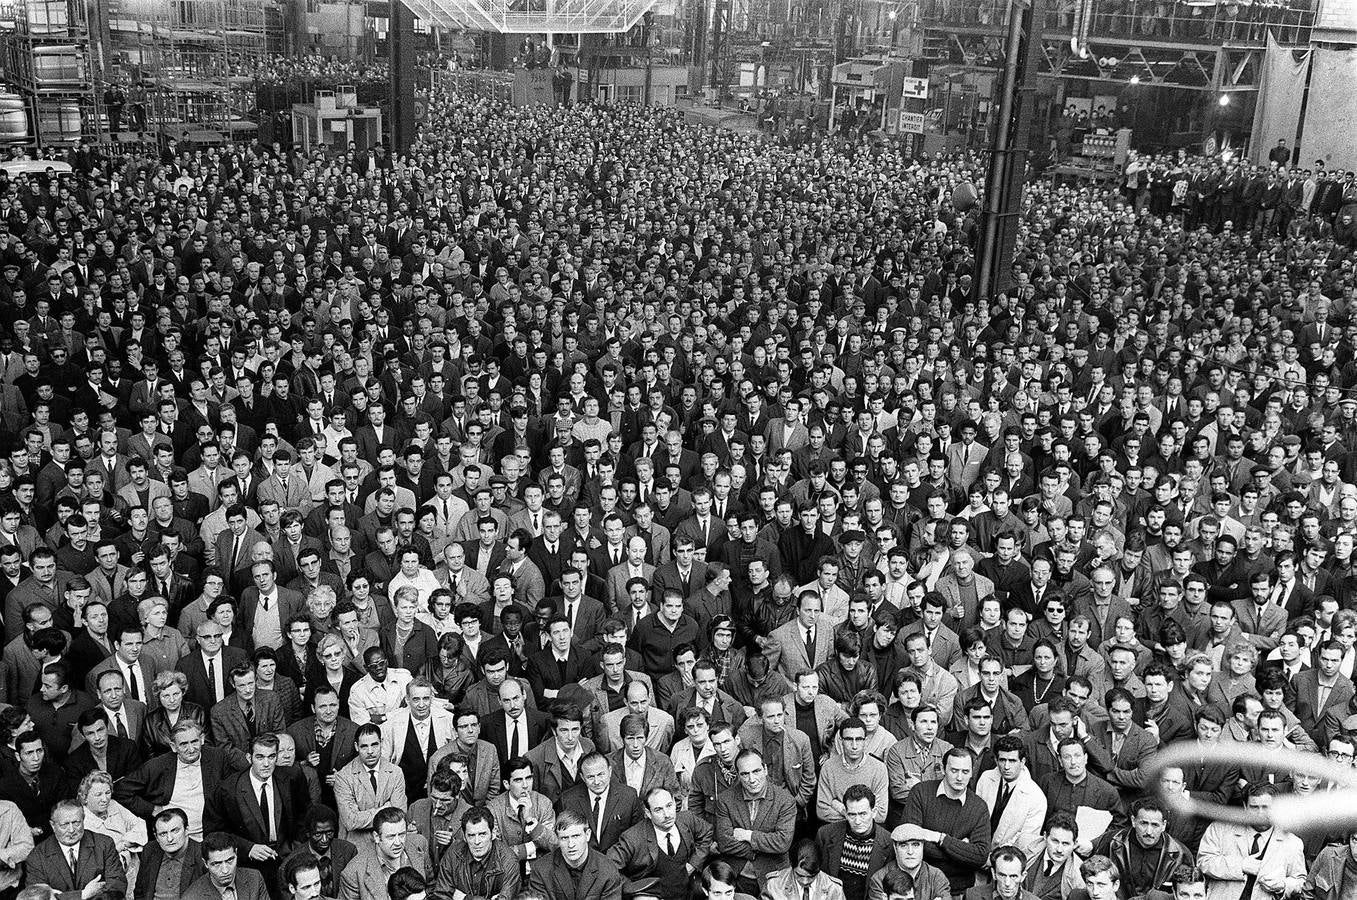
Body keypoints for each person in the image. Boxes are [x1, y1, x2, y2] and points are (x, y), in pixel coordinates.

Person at [714, 749, 797, 894]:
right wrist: (762, 848)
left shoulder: (785, 800)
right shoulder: (725, 800)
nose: (752, 779)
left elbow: (783, 842)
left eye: (756, 771)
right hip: (737, 875)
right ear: (738, 775)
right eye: (745, 774)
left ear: (765, 769)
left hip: (774, 876)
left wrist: (748, 836)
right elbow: (724, 843)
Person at [23, 799, 127, 900]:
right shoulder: (37, 856)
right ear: (52, 825)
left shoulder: (104, 844)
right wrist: (82, 895)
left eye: (76, 823)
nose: (72, 830)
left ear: (83, 820)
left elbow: (117, 888)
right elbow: (37, 897)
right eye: (64, 825)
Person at [525, 809, 625, 900]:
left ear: (587, 835)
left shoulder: (607, 869)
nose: (571, 844)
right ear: (557, 839)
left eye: (576, 836)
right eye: (564, 838)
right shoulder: (541, 869)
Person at [333, 723, 408, 842]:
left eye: (374, 745)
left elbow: (399, 814)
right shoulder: (343, 777)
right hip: (356, 845)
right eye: (364, 746)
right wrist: (385, 808)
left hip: (388, 843)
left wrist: (362, 816)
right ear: (356, 747)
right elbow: (350, 821)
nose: (370, 751)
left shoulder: (395, 772)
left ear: (381, 743)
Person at [816, 784, 892, 900]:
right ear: (845, 813)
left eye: (863, 814)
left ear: (874, 812)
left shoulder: (889, 842)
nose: (857, 821)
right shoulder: (825, 835)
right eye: (852, 814)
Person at [339, 807, 431, 900]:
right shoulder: (353, 873)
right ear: (376, 837)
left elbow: (431, 887)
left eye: (402, 834)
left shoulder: (419, 844)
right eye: (391, 837)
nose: (398, 842)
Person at [430, 805, 521, 900]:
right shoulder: (453, 854)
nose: (477, 841)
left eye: (482, 834)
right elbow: (441, 895)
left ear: (493, 834)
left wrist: (464, 898)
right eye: (471, 835)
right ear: (464, 837)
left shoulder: (509, 861)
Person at [135, 808, 207, 900]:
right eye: (163, 834)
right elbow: (140, 892)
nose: (169, 839)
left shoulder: (202, 854)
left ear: (186, 830)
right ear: (156, 837)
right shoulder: (150, 850)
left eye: (175, 831)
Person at [182, 832, 269, 900]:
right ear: (205, 863)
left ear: (236, 854)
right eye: (216, 864)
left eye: (230, 860)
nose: (225, 870)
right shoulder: (192, 896)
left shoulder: (254, 878)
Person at [764, 838, 847, 900]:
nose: (805, 881)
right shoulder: (774, 885)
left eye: (811, 876)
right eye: (799, 875)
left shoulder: (833, 889)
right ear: (791, 865)